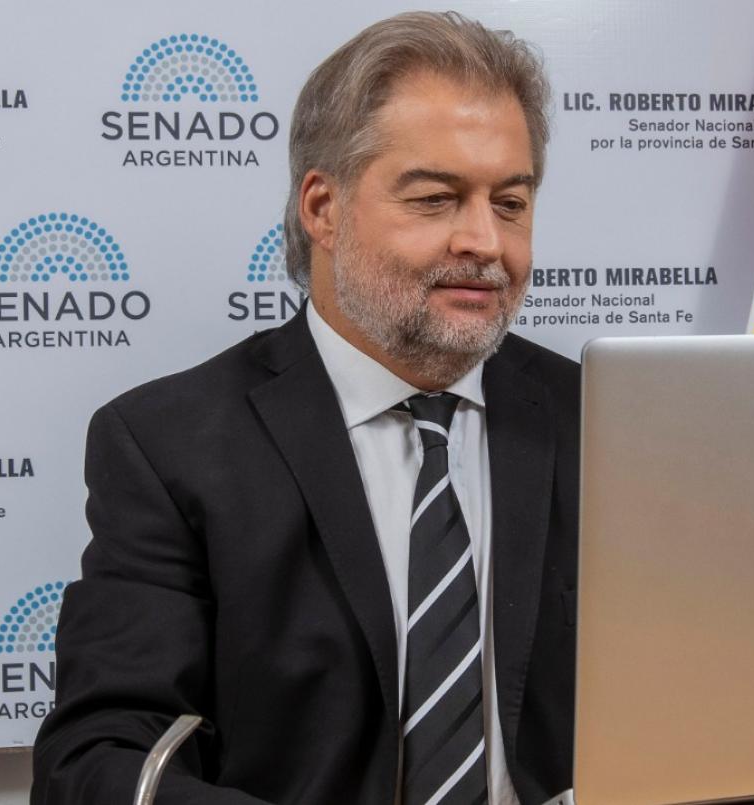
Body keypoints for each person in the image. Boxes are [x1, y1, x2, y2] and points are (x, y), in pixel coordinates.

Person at [32, 11, 579, 804]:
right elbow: (98, 759)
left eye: (511, 203)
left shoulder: (604, 423)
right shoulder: (168, 446)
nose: (485, 241)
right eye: (435, 198)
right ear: (322, 208)